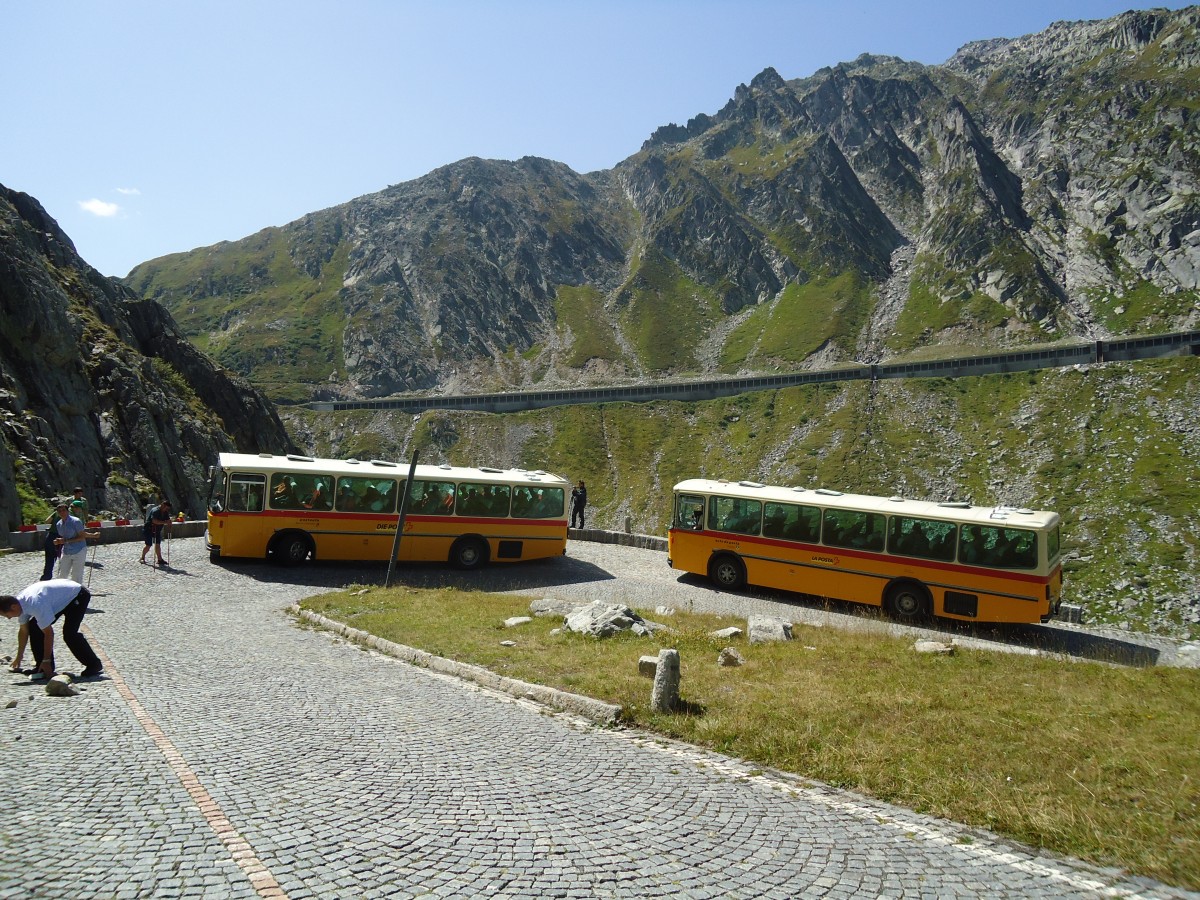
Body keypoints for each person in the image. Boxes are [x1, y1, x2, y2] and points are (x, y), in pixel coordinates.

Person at [1, 579, 103, 679]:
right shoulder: (21, 605)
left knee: (69, 634)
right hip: (57, 598)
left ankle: (94, 664)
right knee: (35, 628)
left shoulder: (35, 604)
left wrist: (47, 660)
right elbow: (24, 631)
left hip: (77, 595)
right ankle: (41, 667)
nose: (9, 618)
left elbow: (49, 634)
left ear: (13, 607)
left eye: (6, 615)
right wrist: (19, 656)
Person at [53, 502, 97, 584]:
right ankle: (61, 592)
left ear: (67, 511)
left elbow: (82, 536)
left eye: (63, 510)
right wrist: (58, 541)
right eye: (59, 511)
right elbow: (64, 537)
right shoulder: (58, 524)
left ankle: (76, 593)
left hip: (79, 550)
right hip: (66, 551)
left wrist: (65, 541)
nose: (62, 512)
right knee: (62, 574)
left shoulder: (75, 521)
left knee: (76, 575)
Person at [140, 500, 172, 565]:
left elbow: (167, 519)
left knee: (158, 544)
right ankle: (142, 558)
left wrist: (169, 522)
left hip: (157, 530)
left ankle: (160, 559)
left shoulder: (165, 512)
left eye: (168, 509)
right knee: (148, 545)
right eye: (166, 508)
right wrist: (165, 522)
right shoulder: (155, 511)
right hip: (149, 529)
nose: (167, 510)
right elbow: (154, 521)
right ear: (163, 505)